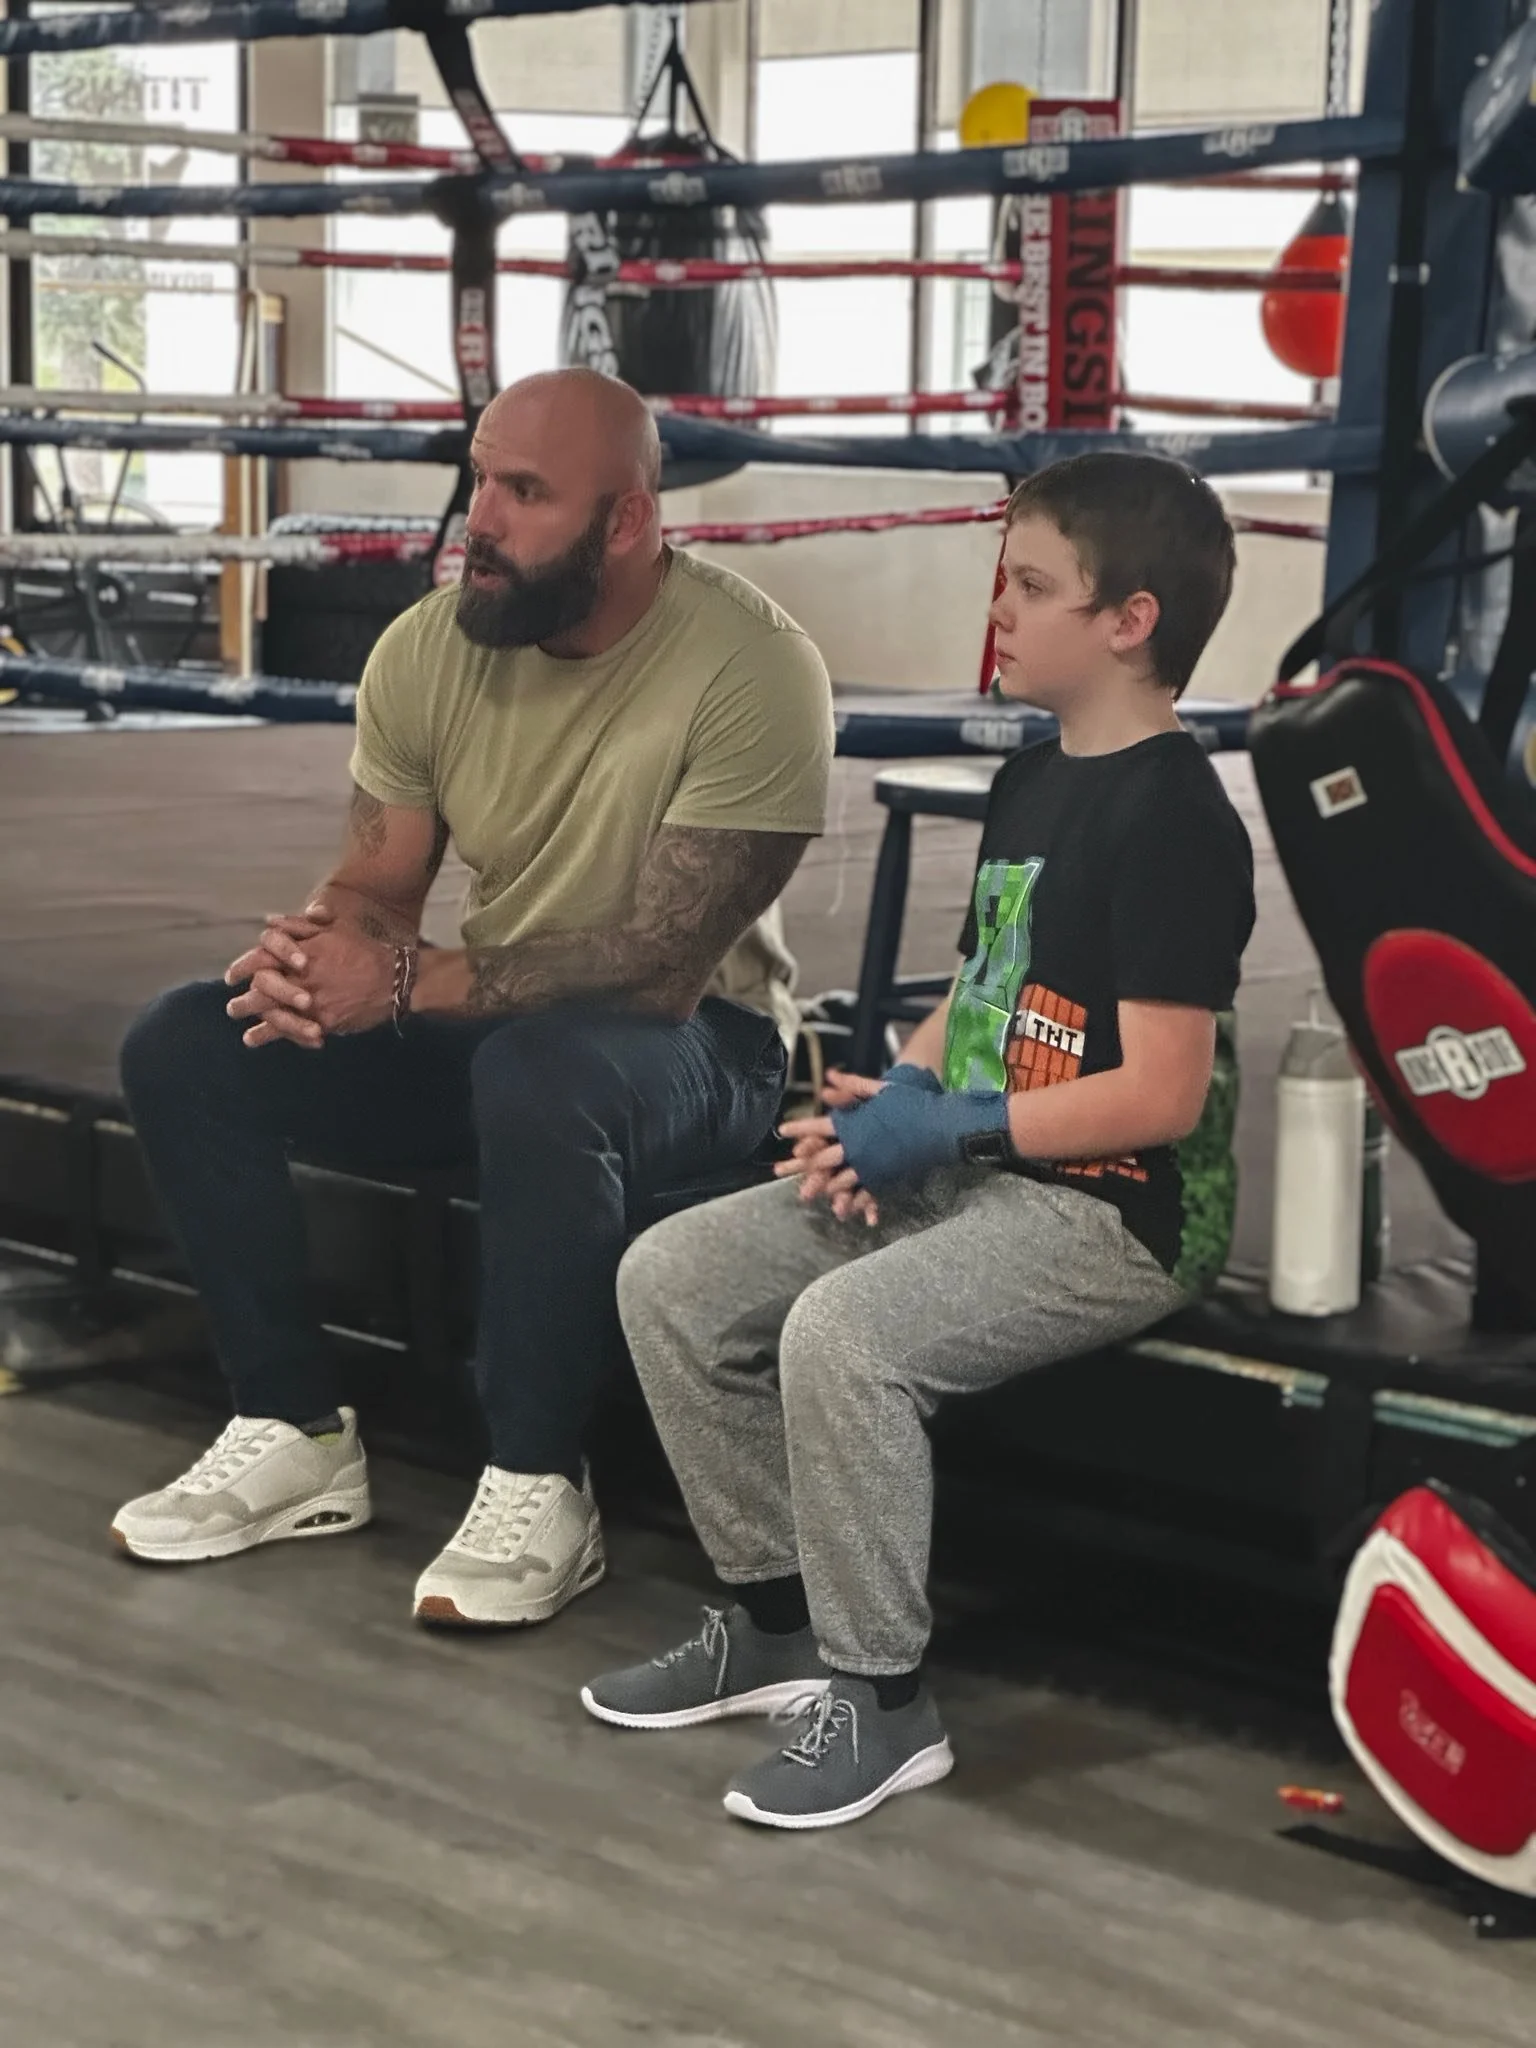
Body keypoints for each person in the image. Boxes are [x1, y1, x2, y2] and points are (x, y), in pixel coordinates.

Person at [583, 452, 1257, 1830]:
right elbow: (980, 996)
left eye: (1031, 585)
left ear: (1128, 621)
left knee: (846, 1334)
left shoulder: (1180, 818)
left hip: (1116, 1216)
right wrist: (892, 1102)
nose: (998, 609)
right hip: (986, 1161)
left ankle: (884, 1705)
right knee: (672, 1275)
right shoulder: (1034, 784)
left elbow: (1164, 1097)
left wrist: (962, 1122)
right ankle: (775, 1624)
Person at [112, 368, 835, 1630]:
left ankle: (540, 1478)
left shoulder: (754, 665)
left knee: (541, 1070)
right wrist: (320, 952)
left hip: (702, 1046)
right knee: (190, 1040)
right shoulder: (430, 646)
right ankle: (291, 1424)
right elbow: (380, 880)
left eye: (525, 491)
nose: (480, 517)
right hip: (498, 1020)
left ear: (627, 521)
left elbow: (663, 961)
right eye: (481, 476)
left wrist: (404, 978)